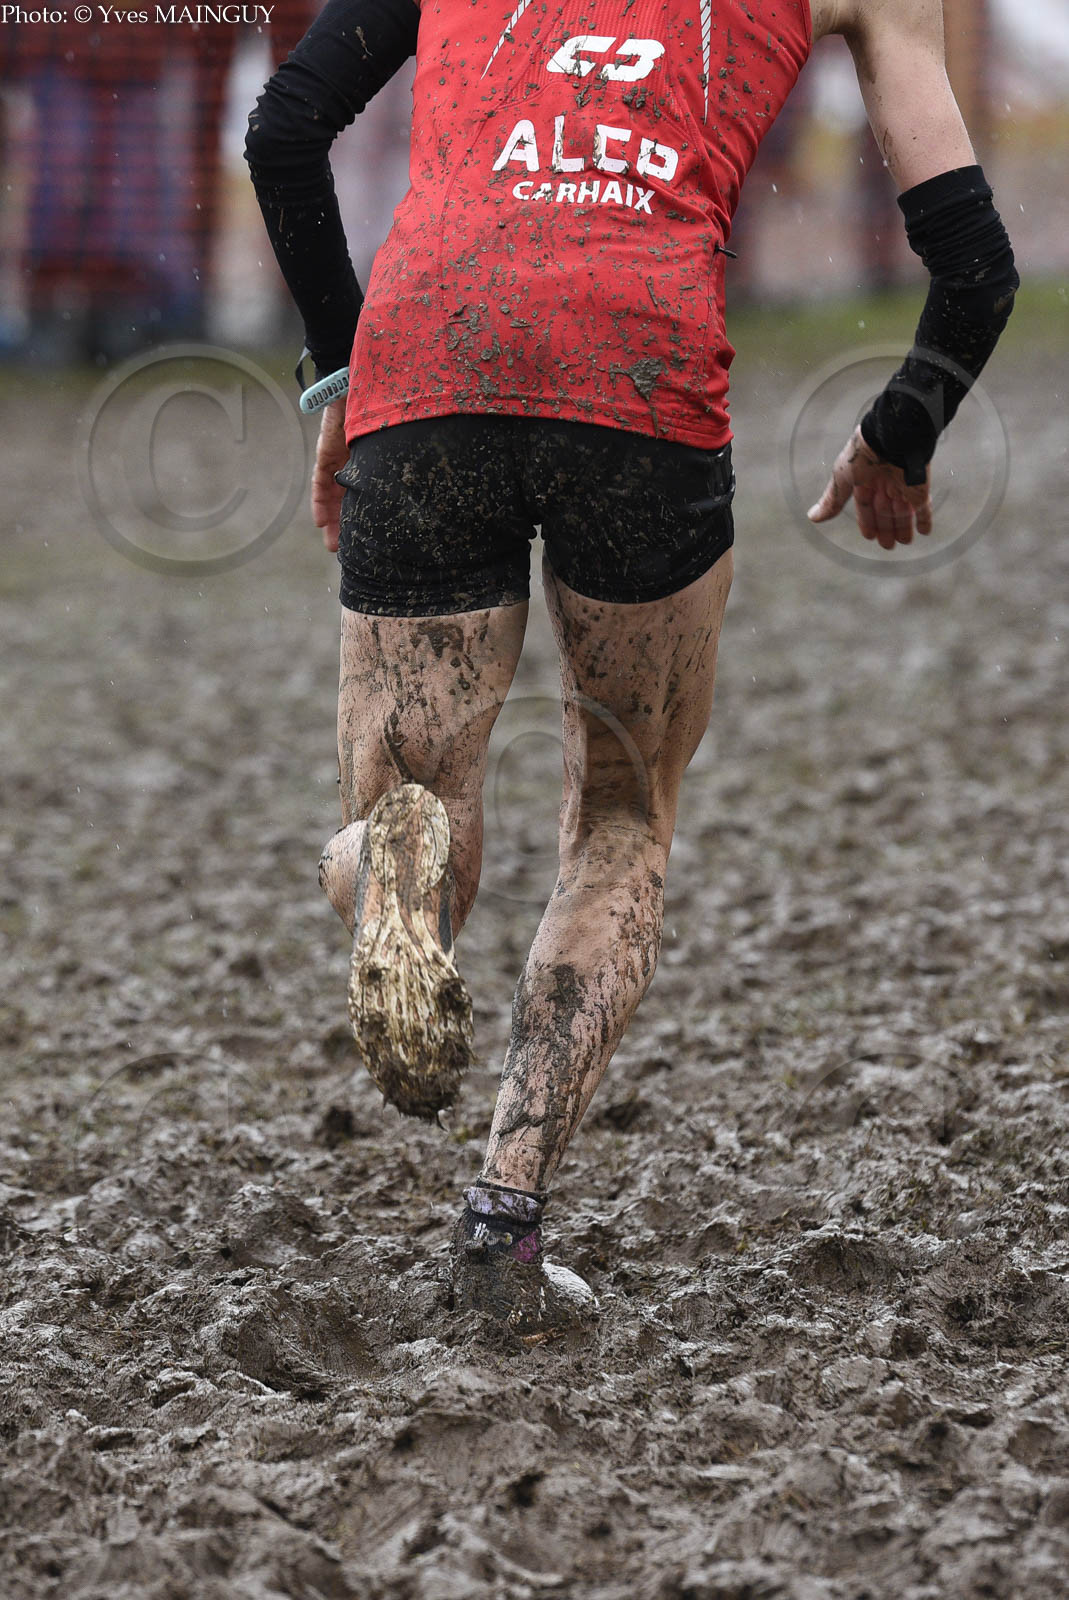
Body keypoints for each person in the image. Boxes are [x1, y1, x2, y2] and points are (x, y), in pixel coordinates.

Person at [245, 0, 1017, 1335]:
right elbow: (977, 270)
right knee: (619, 823)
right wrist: (901, 428)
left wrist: (340, 375)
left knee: (414, 824)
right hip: (638, 370)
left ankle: (392, 879)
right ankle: (501, 1230)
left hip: (436, 345)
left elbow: (283, 130)